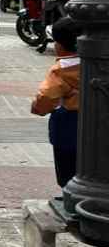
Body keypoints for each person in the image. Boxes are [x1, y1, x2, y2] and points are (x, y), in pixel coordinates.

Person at [31, 17, 82, 188]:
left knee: (67, 169)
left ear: (59, 45)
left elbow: (45, 97)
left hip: (68, 124)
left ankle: (70, 196)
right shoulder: (97, 62)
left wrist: (37, 108)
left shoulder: (60, 71)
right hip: (97, 124)